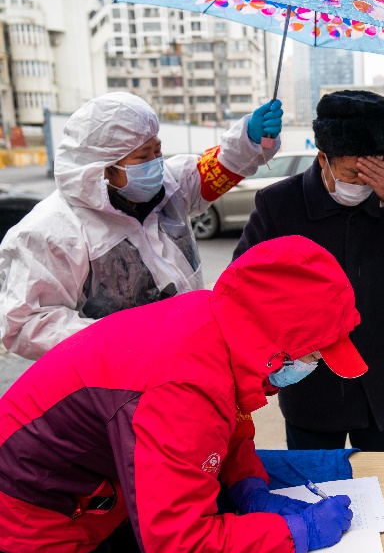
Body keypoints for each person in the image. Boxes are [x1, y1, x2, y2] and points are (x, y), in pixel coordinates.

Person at [0, 236, 360, 553]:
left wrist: (248, 485)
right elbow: (181, 551)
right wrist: (297, 534)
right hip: (35, 513)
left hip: (94, 486)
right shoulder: (185, 388)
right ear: (276, 342)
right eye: (313, 354)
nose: (312, 367)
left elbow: (225, 425)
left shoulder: (220, 322)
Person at [234, 90, 384, 452]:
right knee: (316, 480)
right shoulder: (279, 203)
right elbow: (243, 283)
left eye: (374, 169)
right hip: (312, 382)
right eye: (354, 173)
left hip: (383, 380)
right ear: (324, 158)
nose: (364, 182)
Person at [0, 92, 283, 360]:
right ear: (103, 168)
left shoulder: (168, 186)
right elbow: (26, 324)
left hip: (192, 353)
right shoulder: (52, 232)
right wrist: (125, 339)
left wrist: (250, 140)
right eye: (142, 156)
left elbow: (217, 168)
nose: (155, 163)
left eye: (157, 150)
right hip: (116, 377)